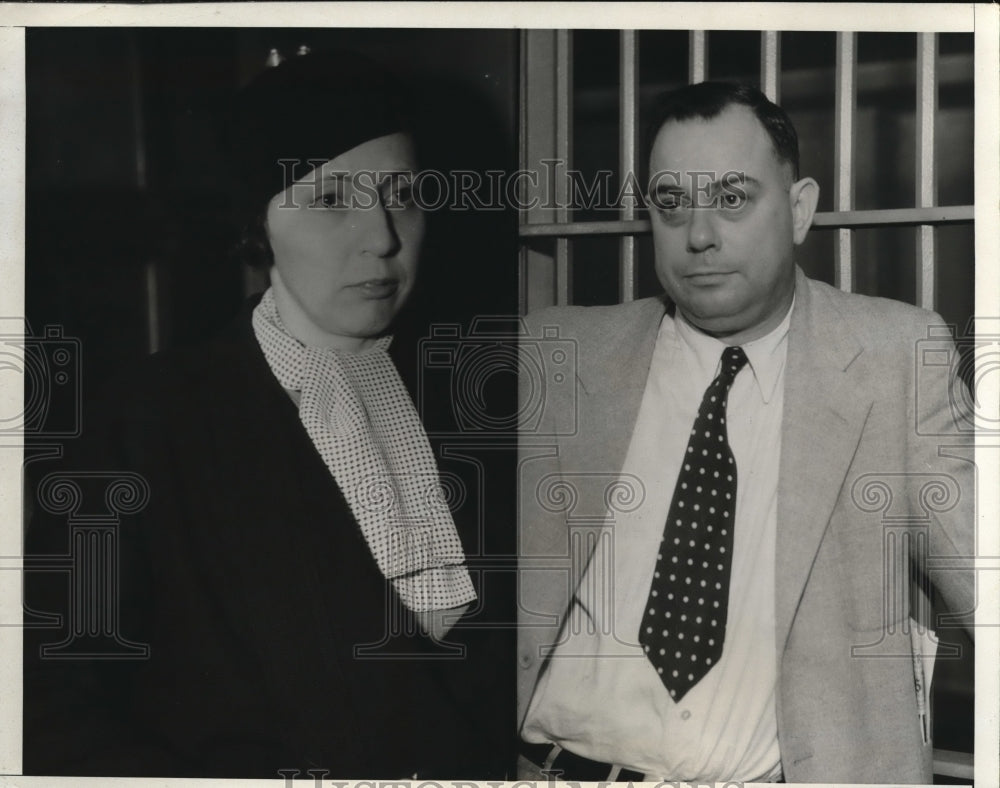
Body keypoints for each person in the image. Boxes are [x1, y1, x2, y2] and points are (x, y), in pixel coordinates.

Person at [23, 50, 511, 778]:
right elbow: (51, 706)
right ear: (259, 223)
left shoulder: (479, 395)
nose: (380, 238)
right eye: (330, 201)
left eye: (402, 194)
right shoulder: (140, 428)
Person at [516, 81, 975, 784]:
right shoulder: (560, 354)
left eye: (732, 198)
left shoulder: (893, 360)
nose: (699, 235)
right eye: (672, 204)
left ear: (798, 210)